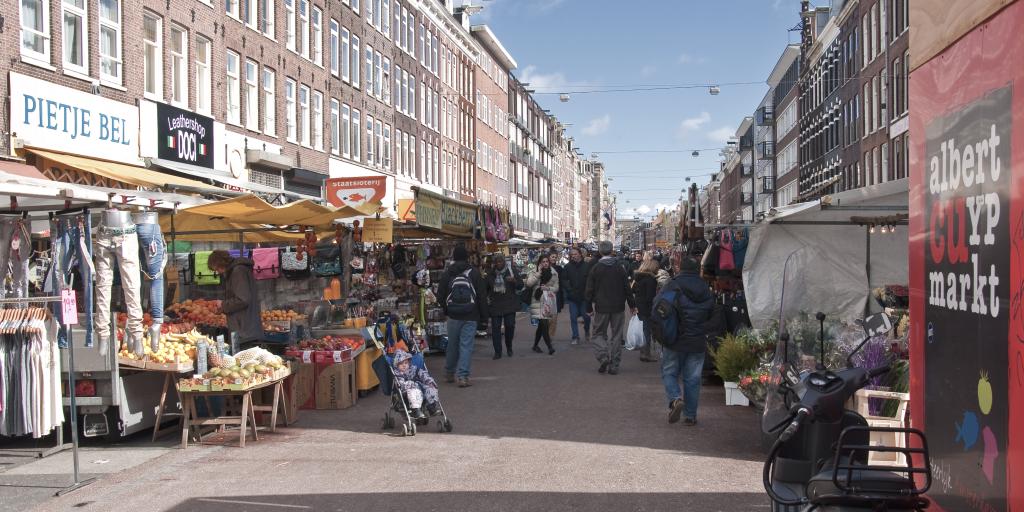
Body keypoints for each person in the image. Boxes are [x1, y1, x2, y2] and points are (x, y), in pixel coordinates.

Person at [662, 256, 715, 426]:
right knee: (692, 379)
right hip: (697, 339)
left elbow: (660, 309)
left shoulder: (672, 285)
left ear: (679, 268)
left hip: (675, 338)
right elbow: (714, 314)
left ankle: (676, 399)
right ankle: (690, 415)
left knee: (669, 372)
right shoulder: (705, 288)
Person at [436, 244, 488, 388]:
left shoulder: (448, 273)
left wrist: (447, 309)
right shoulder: (475, 273)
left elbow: (440, 295)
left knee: (452, 345)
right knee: (466, 345)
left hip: (453, 316)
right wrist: (484, 317)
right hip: (471, 315)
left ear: (454, 257)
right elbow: (482, 296)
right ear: (467, 257)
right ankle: (463, 377)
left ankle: (449, 373)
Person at [585, 241, 635, 374]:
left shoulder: (596, 268)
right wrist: (632, 305)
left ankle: (603, 356)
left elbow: (589, 290)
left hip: (601, 307)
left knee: (598, 334)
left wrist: (588, 307)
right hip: (618, 306)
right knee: (617, 335)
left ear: (600, 252)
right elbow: (627, 288)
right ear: (612, 250)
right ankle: (614, 365)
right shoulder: (619, 267)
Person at [207, 250, 262, 345]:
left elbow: (243, 299)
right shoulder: (236, 271)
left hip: (245, 330)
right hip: (245, 327)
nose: (217, 272)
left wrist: (223, 304)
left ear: (220, 263)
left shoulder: (237, 272)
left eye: (216, 269)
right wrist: (223, 308)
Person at [484, 254, 522, 359]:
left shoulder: (511, 271)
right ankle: (498, 351)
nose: (498, 264)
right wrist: (487, 299)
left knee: (510, 326)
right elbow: (485, 290)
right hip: (495, 305)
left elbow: (521, 285)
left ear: (504, 262)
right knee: (496, 329)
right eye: (496, 262)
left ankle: (509, 345)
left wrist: (514, 281)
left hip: (509, 304)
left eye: (500, 261)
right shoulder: (490, 274)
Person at [392, 349, 440, 419]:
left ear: (409, 363)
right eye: (401, 364)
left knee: (430, 388)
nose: (404, 365)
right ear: (396, 365)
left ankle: (432, 407)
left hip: (421, 388)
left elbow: (423, 374)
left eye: (405, 363)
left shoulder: (414, 369)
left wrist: (429, 381)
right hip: (408, 391)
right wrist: (412, 384)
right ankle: (416, 410)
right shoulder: (398, 374)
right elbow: (401, 384)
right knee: (414, 392)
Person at [526, 254, 559, 355]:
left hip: (547, 301)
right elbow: (529, 284)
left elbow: (557, 287)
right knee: (544, 324)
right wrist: (538, 274)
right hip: (536, 301)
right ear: (539, 263)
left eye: (546, 262)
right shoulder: (534, 272)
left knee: (541, 325)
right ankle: (550, 347)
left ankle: (535, 345)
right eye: (543, 262)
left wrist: (548, 288)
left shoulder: (554, 273)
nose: (545, 264)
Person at [632, 259, 660, 363]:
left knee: (643, 330)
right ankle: (646, 354)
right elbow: (650, 297)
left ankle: (643, 352)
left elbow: (633, 290)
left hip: (639, 306)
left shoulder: (639, 277)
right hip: (647, 308)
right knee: (647, 331)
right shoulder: (650, 279)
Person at [562, 247, 591, 345]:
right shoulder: (567, 267)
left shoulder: (587, 266)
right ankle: (575, 336)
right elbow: (564, 280)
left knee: (586, 317)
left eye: (575, 254)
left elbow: (591, 280)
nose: (573, 256)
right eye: (571, 254)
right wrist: (569, 290)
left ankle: (587, 330)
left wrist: (589, 292)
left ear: (580, 254)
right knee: (573, 317)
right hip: (572, 297)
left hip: (584, 297)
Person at [547, 251, 565, 341]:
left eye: (555, 257)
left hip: (556, 295)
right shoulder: (543, 268)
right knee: (546, 317)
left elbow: (562, 282)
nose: (554, 258)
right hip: (545, 295)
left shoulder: (559, 268)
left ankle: (550, 335)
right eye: (552, 257)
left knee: (554, 317)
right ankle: (545, 332)